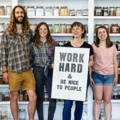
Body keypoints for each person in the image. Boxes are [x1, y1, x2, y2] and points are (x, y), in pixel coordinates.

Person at [0, 5, 36, 120]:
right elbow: (3, 52)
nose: (20, 14)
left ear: (24, 15)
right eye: (17, 13)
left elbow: (34, 47)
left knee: (33, 97)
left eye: (21, 12)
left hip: (27, 70)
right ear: (13, 15)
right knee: (14, 97)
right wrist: (4, 71)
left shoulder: (28, 32)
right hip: (13, 70)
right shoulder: (7, 32)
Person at [62, 21, 94, 120]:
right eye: (73, 29)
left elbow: (92, 62)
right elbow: (62, 63)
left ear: (82, 31)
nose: (75, 30)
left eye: (78, 29)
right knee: (67, 103)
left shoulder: (88, 46)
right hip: (69, 77)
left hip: (83, 76)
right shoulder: (65, 46)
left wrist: (85, 66)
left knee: (79, 103)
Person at [30, 22, 57, 120]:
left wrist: (54, 63)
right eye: (40, 29)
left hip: (50, 70)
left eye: (45, 29)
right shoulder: (33, 43)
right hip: (38, 71)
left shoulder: (53, 43)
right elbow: (30, 58)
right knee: (39, 97)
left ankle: (50, 118)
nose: (43, 31)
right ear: (37, 31)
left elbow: (57, 57)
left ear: (48, 31)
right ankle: (40, 118)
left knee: (53, 97)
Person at [90, 26, 118, 120]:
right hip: (97, 75)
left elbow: (115, 62)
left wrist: (116, 76)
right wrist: (90, 76)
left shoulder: (113, 46)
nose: (102, 34)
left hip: (109, 76)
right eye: (99, 33)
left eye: (104, 32)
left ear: (107, 34)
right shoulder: (93, 46)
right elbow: (90, 63)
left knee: (107, 100)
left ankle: (108, 118)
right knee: (98, 99)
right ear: (97, 35)